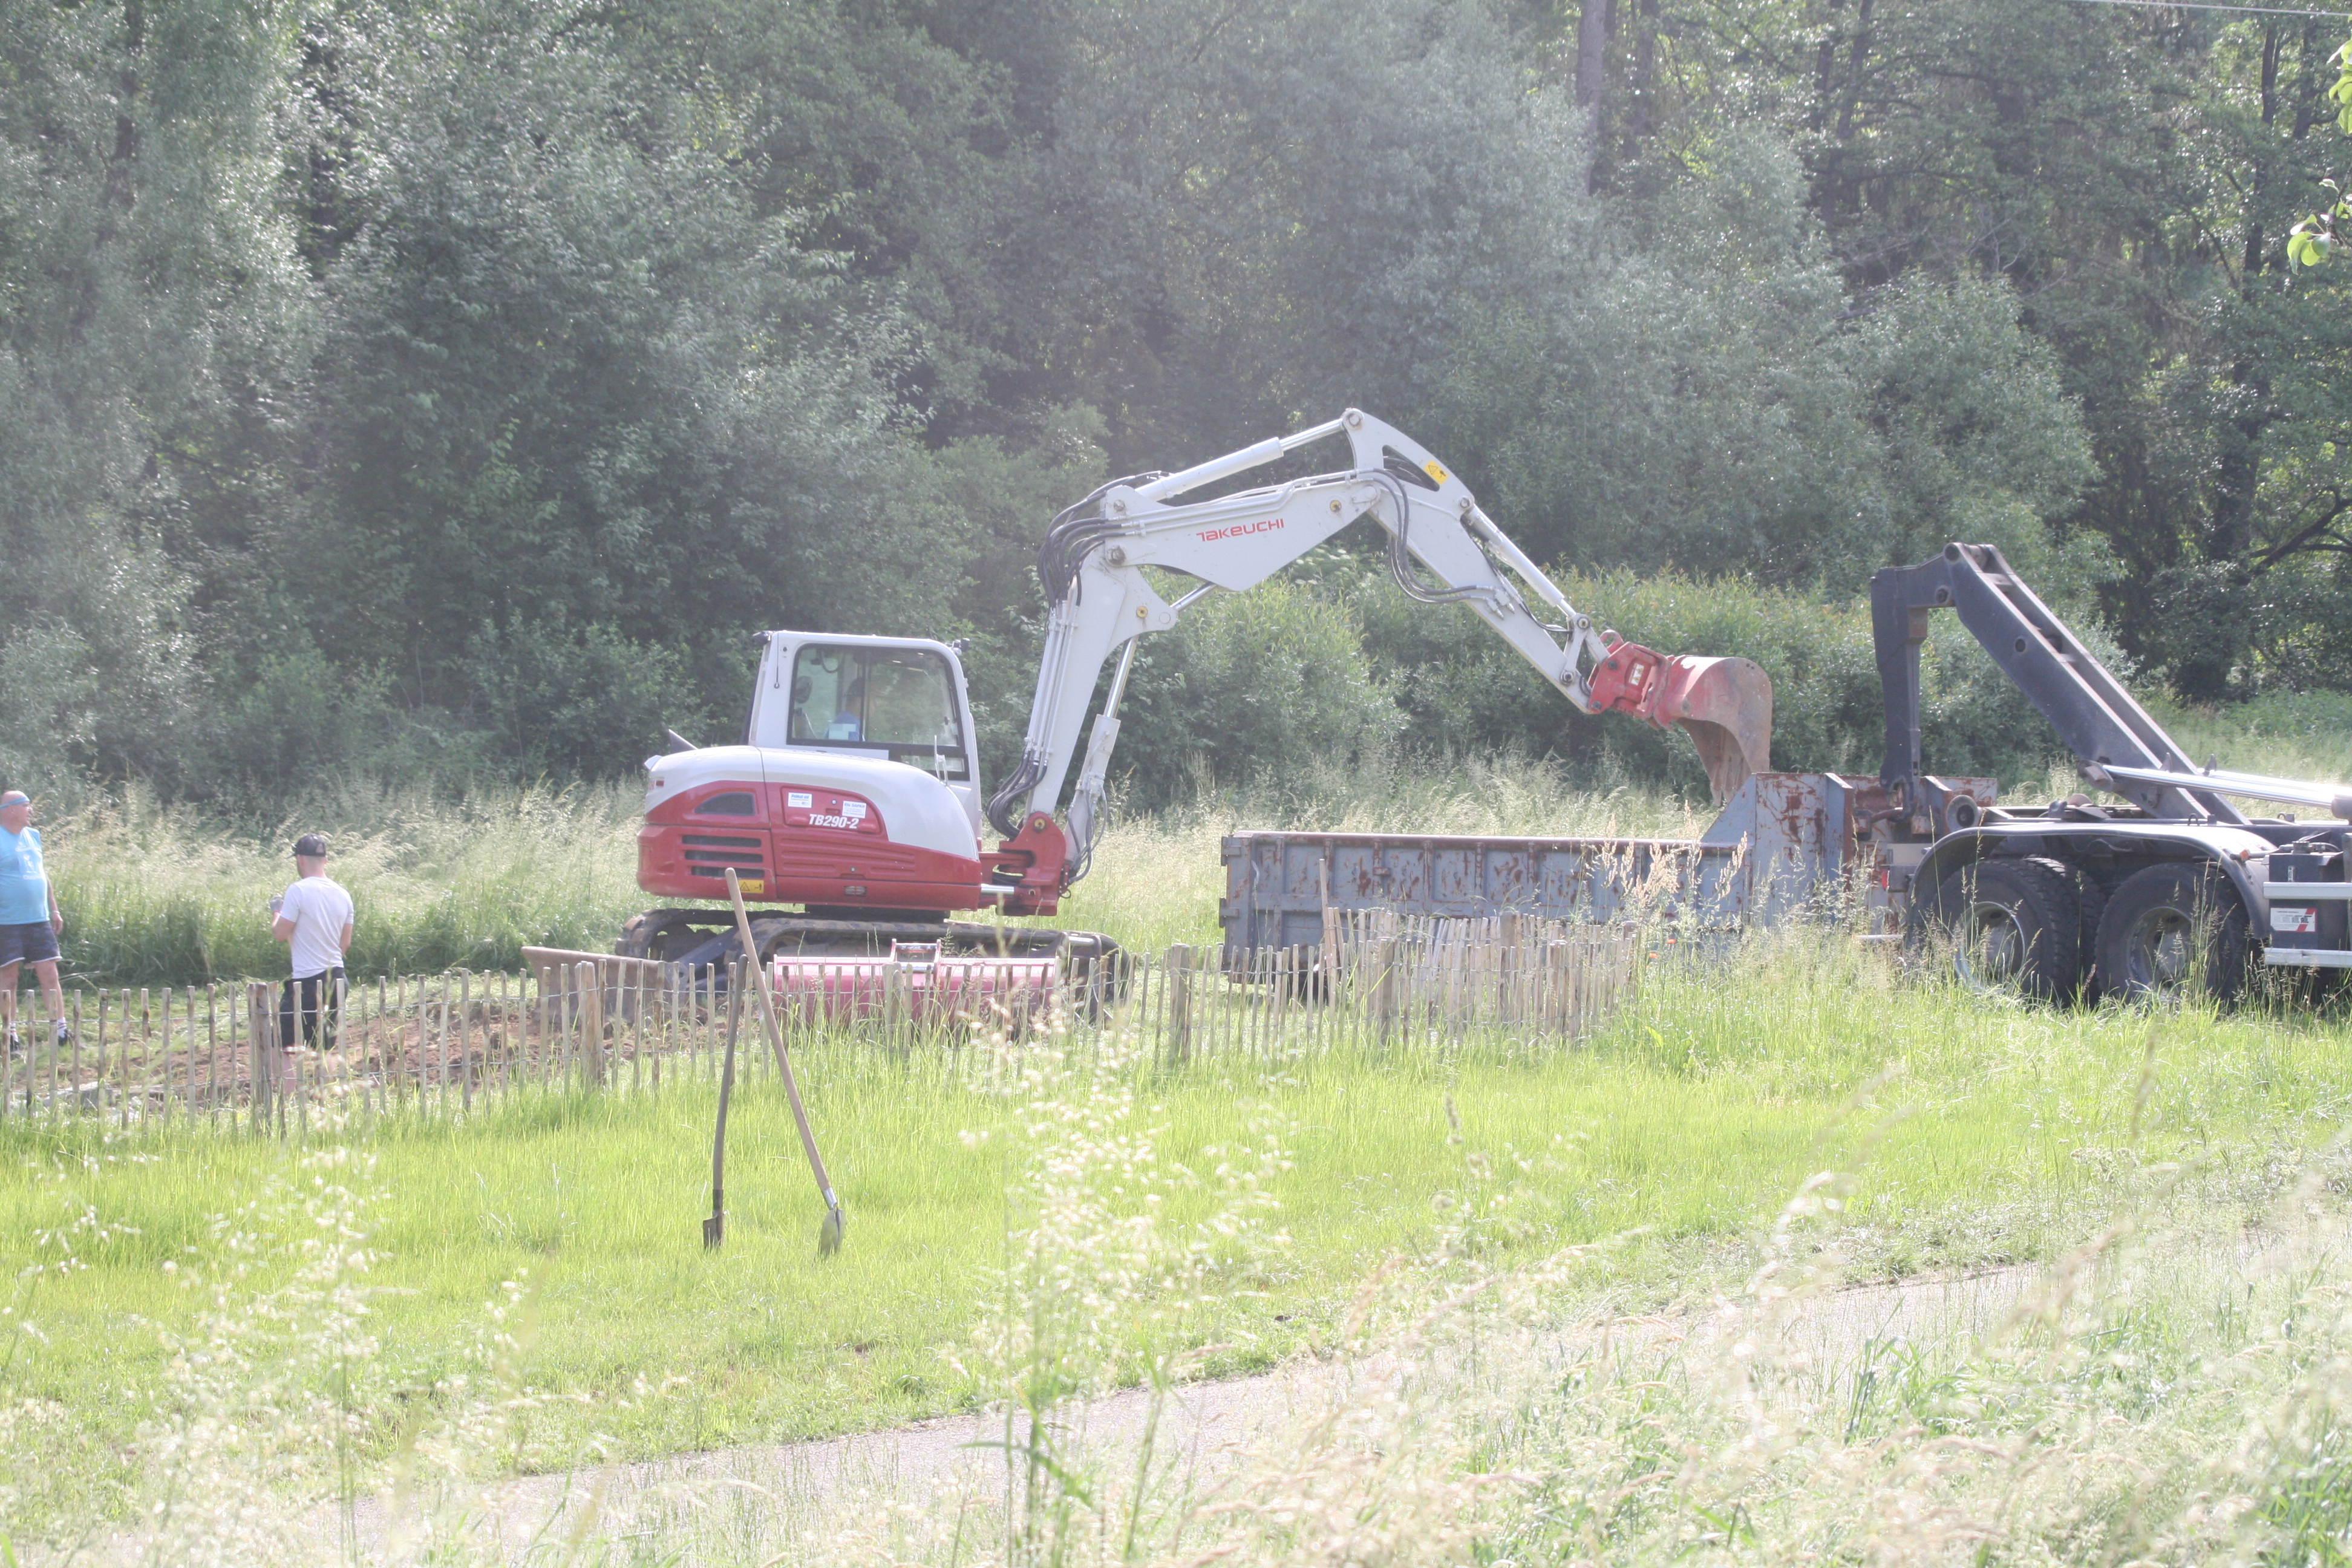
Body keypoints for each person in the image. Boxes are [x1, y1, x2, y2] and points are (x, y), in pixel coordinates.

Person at [272, 832, 353, 1051]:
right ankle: (325, 1086)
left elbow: (280, 934)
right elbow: (345, 945)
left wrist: (276, 912)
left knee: (284, 1047)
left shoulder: (297, 890)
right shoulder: (343, 894)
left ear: (299, 859)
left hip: (308, 983)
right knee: (322, 1049)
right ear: (325, 860)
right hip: (337, 980)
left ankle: (285, 1087)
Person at [0, 790, 65, 1054]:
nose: (31, 811)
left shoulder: (33, 836)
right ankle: (10, 1033)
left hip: (38, 917)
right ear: (10, 809)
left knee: (49, 973)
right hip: (7, 921)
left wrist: (54, 909)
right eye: (26, 806)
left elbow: (41, 873)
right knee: (9, 979)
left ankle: (61, 1031)